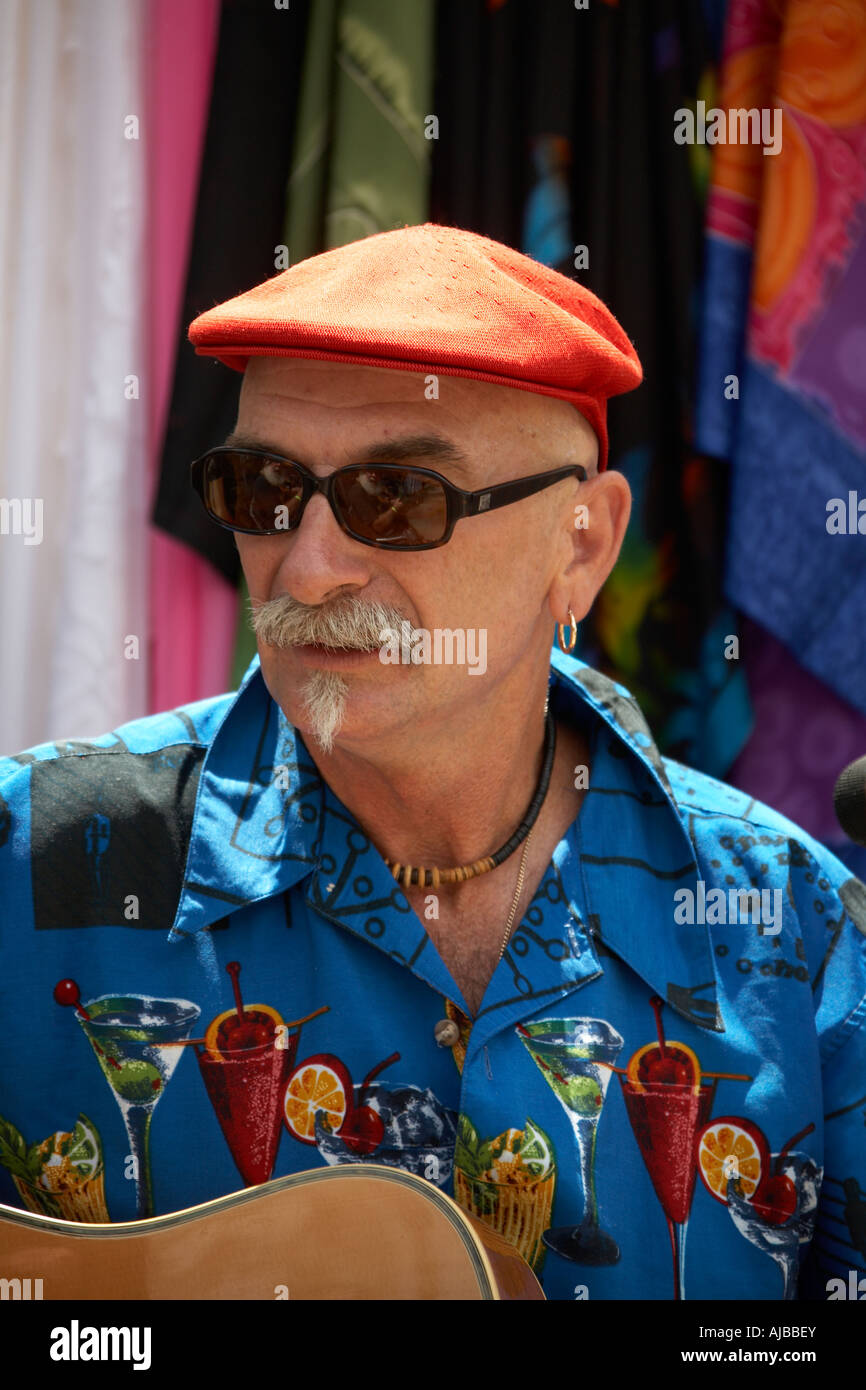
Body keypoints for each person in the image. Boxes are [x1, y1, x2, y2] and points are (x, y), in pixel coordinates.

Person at [1, 224, 864, 1302]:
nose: (308, 568)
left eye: (395, 497)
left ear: (581, 546)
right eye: (263, 489)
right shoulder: (29, 859)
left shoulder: (796, 927)